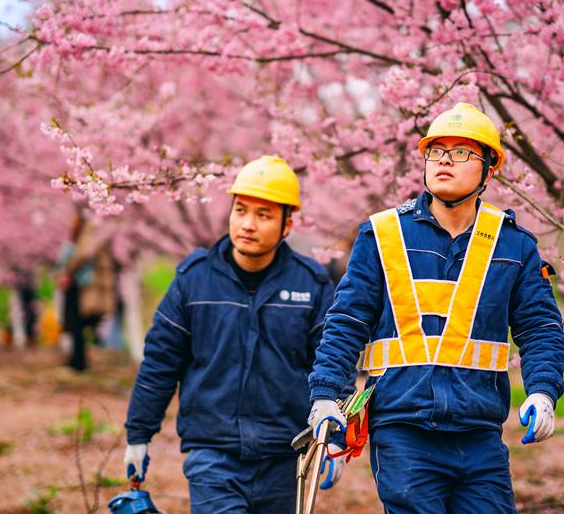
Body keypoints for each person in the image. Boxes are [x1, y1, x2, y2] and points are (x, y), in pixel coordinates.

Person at [307, 103, 564, 513]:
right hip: (403, 430)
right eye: (436, 150)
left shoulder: (515, 245)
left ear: (489, 169)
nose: (445, 159)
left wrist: (542, 391)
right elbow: (346, 323)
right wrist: (326, 398)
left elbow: (540, 330)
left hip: (480, 435)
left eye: (462, 151)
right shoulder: (382, 235)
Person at [123, 156, 350, 513]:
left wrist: (336, 440)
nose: (248, 224)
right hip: (212, 456)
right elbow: (160, 364)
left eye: (264, 215)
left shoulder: (312, 283)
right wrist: (138, 435)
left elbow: (334, 359)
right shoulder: (192, 280)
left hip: (287, 456)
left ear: (287, 225)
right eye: (241, 210)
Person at [57, 211, 116, 371]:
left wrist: (68, 271)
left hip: (84, 286)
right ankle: (78, 358)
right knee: (79, 325)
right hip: (87, 285)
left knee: (76, 323)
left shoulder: (90, 233)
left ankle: (78, 360)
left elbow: (82, 255)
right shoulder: (97, 233)